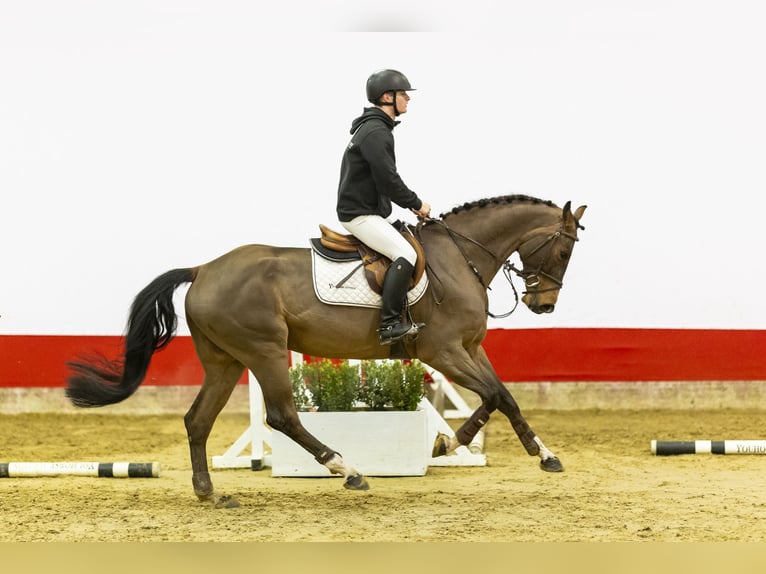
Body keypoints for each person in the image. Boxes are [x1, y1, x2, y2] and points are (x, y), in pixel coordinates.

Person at [336, 69, 432, 345]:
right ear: (386, 97)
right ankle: (389, 325)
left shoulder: (376, 129)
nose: (407, 100)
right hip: (359, 215)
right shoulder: (376, 132)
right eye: (403, 94)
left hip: (369, 212)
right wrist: (416, 204)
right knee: (406, 254)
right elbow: (388, 178)